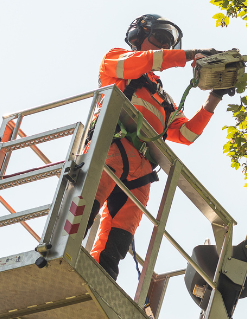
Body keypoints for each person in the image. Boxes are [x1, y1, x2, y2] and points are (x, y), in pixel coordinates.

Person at [84, 14, 232, 280]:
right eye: (159, 39)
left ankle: (99, 279)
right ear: (137, 37)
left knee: (120, 234)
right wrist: (190, 55)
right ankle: (57, 254)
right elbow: (147, 61)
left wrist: (214, 97)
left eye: (168, 43)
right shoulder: (116, 60)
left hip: (141, 172)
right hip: (110, 150)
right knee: (83, 208)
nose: (164, 47)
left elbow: (185, 134)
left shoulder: (162, 98)